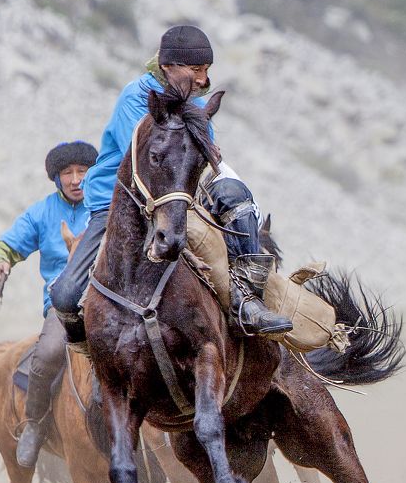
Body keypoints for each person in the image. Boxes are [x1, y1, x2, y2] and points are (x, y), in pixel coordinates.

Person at [50, 24, 292, 344]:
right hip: (121, 203)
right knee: (66, 295)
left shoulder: (194, 103)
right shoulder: (137, 97)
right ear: (168, 67)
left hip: (178, 194)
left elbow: (201, 159)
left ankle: (248, 300)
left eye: (205, 70)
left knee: (238, 197)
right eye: (195, 70)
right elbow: (147, 161)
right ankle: (89, 345)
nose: (203, 79)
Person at [0, 140, 97, 468]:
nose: (76, 179)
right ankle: (35, 423)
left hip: (109, 302)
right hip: (64, 307)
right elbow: (4, 244)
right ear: (57, 178)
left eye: (83, 171)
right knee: (48, 352)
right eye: (68, 173)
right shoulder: (42, 213)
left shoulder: (107, 205)